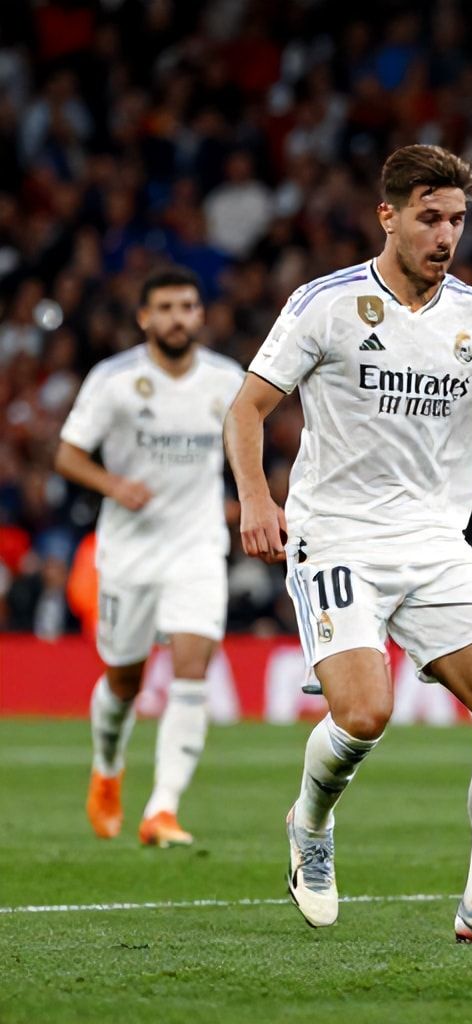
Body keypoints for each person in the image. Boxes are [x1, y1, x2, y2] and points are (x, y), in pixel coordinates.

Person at [225, 144, 472, 945]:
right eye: (430, 218)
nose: (446, 235)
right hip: (337, 537)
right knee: (363, 714)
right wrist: (257, 495)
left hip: (435, 542)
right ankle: (310, 825)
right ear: (386, 216)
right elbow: (245, 409)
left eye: (457, 219)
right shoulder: (325, 303)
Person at [58, 266, 242, 849]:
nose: (176, 317)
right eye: (164, 308)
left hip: (197, 545)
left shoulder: (226, 379)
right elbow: (67, 454)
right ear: (144, 318)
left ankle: (162, 809)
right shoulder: (114, 380)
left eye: (186, 306)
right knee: (124, 680)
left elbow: (249, 444)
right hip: (130, 550)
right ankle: (108, 767)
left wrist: (249, 498)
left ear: (200, 315)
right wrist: (114, 486)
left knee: (192, 671)